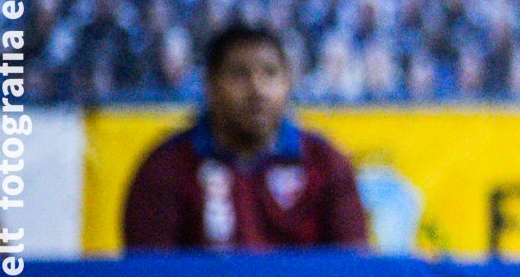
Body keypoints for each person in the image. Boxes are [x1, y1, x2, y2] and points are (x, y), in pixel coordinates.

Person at [122, 21, 368, 251]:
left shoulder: (326, 163)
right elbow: (151, 275)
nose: (257, 89)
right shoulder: (166, 167)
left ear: (287, 83)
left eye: (270, 73)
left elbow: (353, 269)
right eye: (239, 74)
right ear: (210, 85)